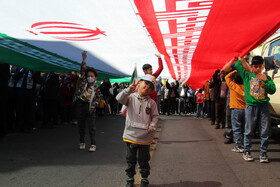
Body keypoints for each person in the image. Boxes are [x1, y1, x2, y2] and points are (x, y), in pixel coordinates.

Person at [116, 74, 159, 187]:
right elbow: (119, 98)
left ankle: (144, 179)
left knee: (144, 160)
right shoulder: (130, 98)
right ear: (139, 83)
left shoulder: (152, 103)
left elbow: (155, 116)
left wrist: (152, 127)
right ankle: (130, 178)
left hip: (145, 137)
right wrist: (128, 90)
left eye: (150, 87)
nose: (147, 87)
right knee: (130, 160)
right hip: (130, 136)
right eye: (146, 83)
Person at [235, 55, 276, 163]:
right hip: (251, 106)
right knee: (249, 130)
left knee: (265, 131)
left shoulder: (266, 77)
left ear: (262, 67)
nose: (257, 69)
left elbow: (273, 90)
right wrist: (242, 58)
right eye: (255, 66)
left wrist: (266, 81)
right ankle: (247, 151)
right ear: (252, 66)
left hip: (264, 107)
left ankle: (263, 152)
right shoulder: (247, 76)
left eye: (259, 66)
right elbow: (238, 66)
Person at [73, 51, 101, 152]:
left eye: (92, 76)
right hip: (80, 104)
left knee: (91, 126)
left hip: (90, 107)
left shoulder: (97, 87)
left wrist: (94, 105)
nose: (89, 77)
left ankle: (93, 144)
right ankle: (82, 142)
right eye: (88, 75)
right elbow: (83, 70)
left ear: (95, 77)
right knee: (81, 124)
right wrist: (84, 60)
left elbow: (98, 98)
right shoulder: (83, 82)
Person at [225, 70, 246, 153]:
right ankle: (245, 144)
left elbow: (226, 77)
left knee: (236, 128)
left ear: (234, 79)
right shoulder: (246, 87)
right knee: (244, 128)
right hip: (245, 109)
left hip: (235, 109)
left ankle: (238, 146)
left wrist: (234, 71)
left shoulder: (232, 86)